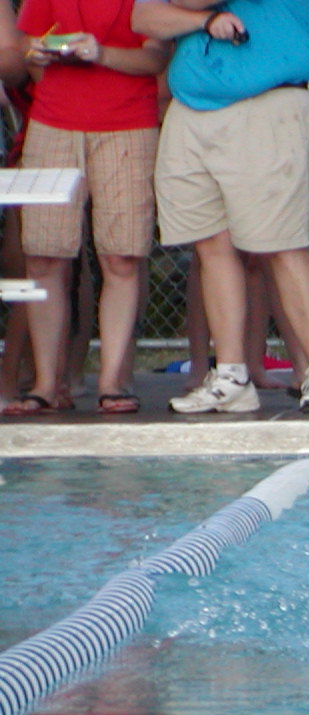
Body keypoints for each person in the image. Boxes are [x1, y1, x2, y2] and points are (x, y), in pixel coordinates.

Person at [131, 0, 309, 416]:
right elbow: (143, 16)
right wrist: (203, 21)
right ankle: (232, 375)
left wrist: (190, 13)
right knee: (212, 246)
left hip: (267, 105)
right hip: (193, 107)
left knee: (283, 245)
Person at [5, 0, 166, 416]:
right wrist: (35, 51)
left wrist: (102, 52)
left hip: (128, 122)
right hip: (53, 119)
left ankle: (113, 379)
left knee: (122, 257)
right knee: (44, 255)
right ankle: (46, 382)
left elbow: (157, 56)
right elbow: (24, 43)